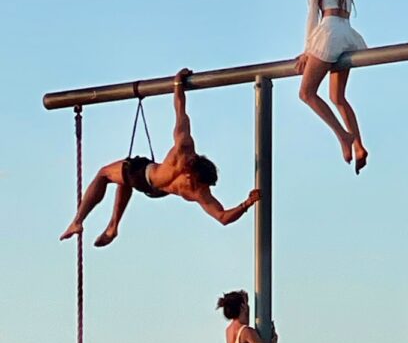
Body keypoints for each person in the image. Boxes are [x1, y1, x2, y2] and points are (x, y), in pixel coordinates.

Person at [60, 70, 260, 247]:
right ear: (192, 164)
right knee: (124, 179)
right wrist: (177, 84)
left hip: (147, 178)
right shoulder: (184, 147)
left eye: (197, 182)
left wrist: (247, 204)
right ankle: (112, 227)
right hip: (149, 182)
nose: (191, 182)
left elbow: (222, 217)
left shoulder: (200, 191)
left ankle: (79, 221)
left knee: (105, 174)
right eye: (193, 177)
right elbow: (180, 111)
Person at [296, 0, 369, 173]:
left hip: (330, 34)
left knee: (306, 93)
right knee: (337, 97)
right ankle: (358, 145)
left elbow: (312, 17)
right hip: (346, 32)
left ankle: (343, 137)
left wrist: (308, 50)